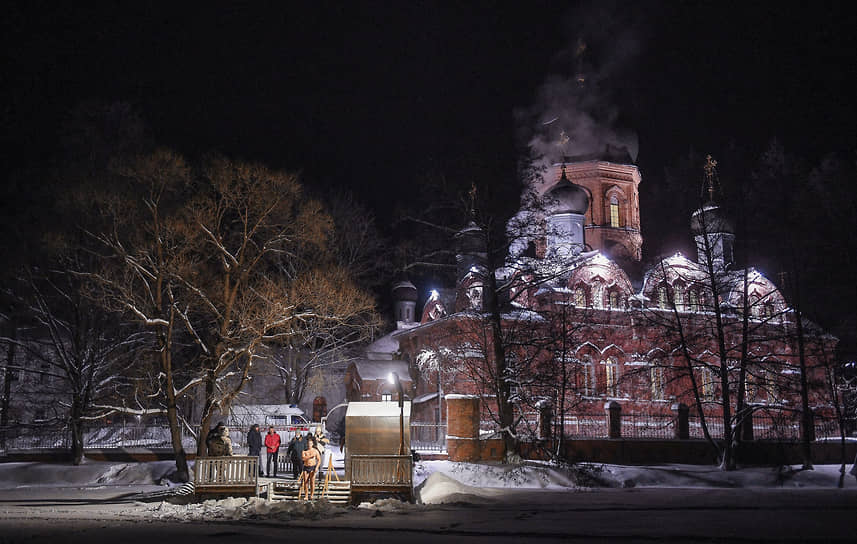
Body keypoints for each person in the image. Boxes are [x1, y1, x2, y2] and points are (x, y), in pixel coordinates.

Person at [300, 435, 322, 500]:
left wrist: (317, 467)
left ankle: (312, 494)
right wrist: (310, 456)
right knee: (305, 481)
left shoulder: (315, 451)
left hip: (312, 467)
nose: (309, 445)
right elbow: (303, 458)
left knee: (312, 482)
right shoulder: (304, 451)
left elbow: (319, 460)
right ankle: (306, 495)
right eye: (308, 443)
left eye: (310, 443)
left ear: (312, 444)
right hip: (306, 467)